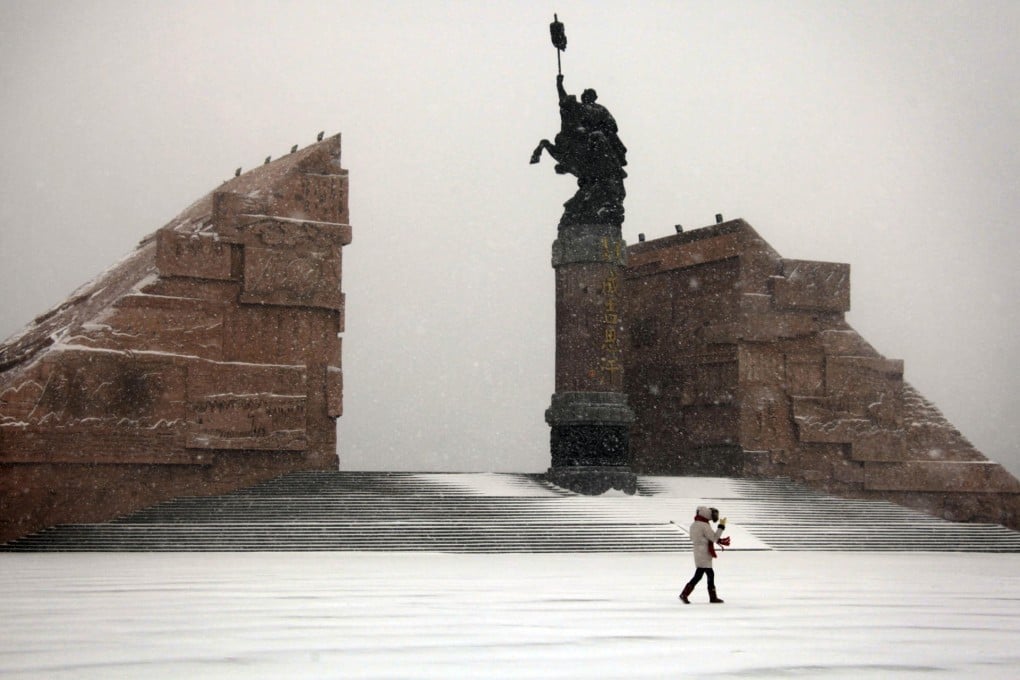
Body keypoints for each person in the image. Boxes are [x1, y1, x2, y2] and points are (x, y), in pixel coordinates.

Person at [680, 506, 730, 604]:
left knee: (706, 574)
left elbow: (694, 537)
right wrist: (721, 526)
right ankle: (685, 594)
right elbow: (714, 538)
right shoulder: (704, 525)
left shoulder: (694, 524)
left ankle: (710, 597)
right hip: (704, 552)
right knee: (702, 574)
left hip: (698, 551)